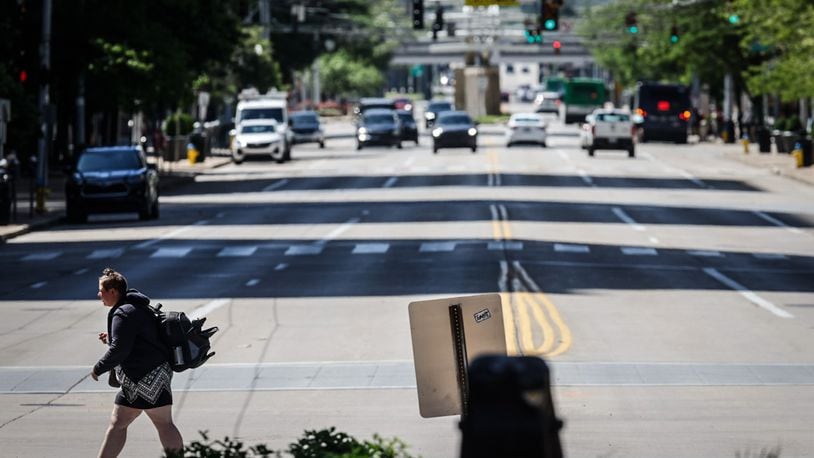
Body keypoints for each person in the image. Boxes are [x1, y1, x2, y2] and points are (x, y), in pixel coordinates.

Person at [90, 268, 183, 457]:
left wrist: (98, 368)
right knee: (119, 423)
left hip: (146, 377)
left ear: (113, 291)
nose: (99, 294)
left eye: (102, 290)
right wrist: (111, 339)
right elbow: (137, 340)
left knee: (163, 424)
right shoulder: (133, 307)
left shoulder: (123, 313)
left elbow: (120, 349)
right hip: (142, 376)